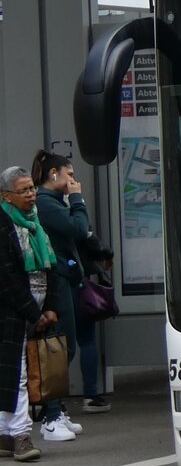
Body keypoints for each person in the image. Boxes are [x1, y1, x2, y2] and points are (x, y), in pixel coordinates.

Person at [33, 151, 111, 442]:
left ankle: (57, 411)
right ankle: (51, 416)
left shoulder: (52, 202)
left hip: (68, 279)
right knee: (60, 348)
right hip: (58, 282)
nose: (73, 181)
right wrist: (77, 199)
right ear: (53, 174)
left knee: (67, 347)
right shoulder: (46, 203)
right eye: (69, 175)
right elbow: (79, 230)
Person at [1, 166, 60, 462]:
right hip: (12, 311)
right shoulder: (3, 224)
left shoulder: (35, 221)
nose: (30, 194)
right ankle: (21, 435)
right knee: (17, 373)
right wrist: (32, 311)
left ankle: (5, 435)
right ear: (7, 196)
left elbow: (51, 267)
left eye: (31, 188)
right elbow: (7, 277)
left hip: (35, 307)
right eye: (23, 190)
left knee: (18, 372)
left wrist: (50, 307)